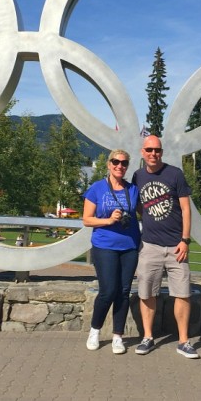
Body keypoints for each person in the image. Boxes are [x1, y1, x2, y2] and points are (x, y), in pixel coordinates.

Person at [131, 135, 199, 359]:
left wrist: (185, 239)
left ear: (162, 152)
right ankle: (148, 337)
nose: (153, 154)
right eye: (149, 150)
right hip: (149, 245)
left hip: (176, 246)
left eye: (157, 150)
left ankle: (183, 341)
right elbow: (140, 206)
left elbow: (186, 209)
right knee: (146, 293)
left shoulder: (175, 174)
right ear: (143, 152)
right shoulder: (138, 176)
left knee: (182, 294)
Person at [82, 149, 140, 354]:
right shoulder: (97, 188)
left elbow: (144, 212)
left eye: (124, 163)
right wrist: (108, 220)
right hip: (104, 245)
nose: (119, 166)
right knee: (107, 291)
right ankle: (95, 331)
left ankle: (118, 336)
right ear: (108, 164)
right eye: (115, 162)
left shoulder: (133, 189)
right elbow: (87, 219)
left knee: (124, 292)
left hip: (130, 246)